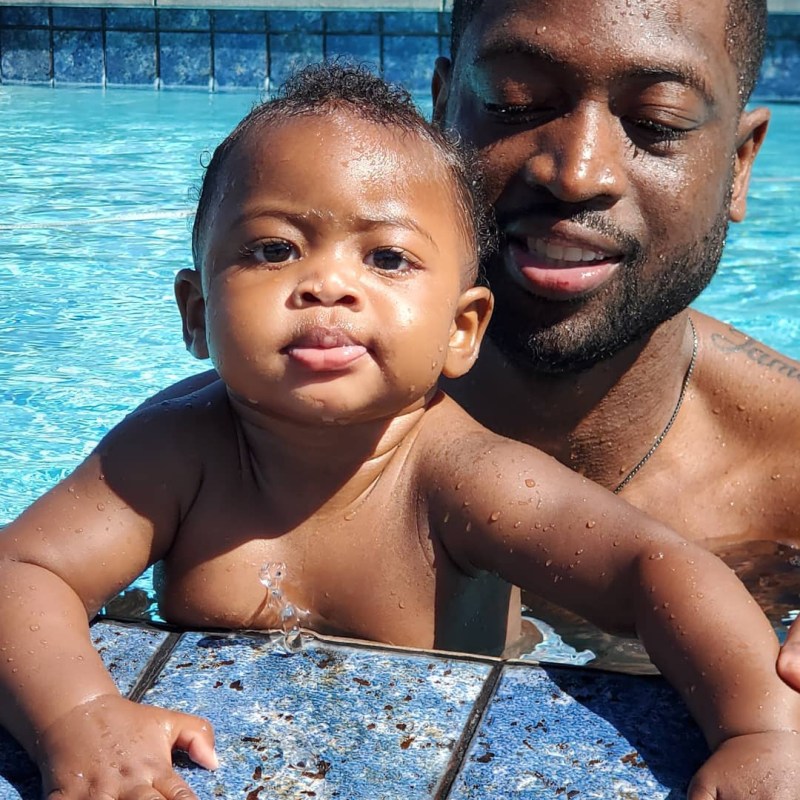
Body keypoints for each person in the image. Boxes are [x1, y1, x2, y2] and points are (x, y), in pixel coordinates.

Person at [0, 62, 798, 800]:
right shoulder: (173, 450)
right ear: (197, 314)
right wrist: (75, 711)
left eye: (385, 258)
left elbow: (652, 567)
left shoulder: (464, 478)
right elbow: (22, 568)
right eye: (274, 249)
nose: (327, 285)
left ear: (462, 329)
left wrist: (758, 729)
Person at [150, 0, 800, 683]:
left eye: (655, 122)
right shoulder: (267, 415)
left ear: (739, 163)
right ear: (441, 114)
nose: (577, 172)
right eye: (515, 102)